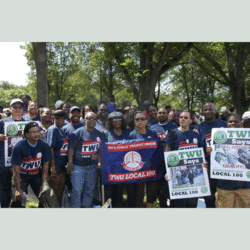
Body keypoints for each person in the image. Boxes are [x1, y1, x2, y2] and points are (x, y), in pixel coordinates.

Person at [207, 114, 250, 208]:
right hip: (224, 185)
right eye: (230, 122)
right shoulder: (219, 136)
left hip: (245, 186)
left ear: (241, 122)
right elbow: (217, 158)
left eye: (236, 121)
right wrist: (211, 152)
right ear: (227, 123)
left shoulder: (248, 136)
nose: (233, 123)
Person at [164, 111, 205, 208]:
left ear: (191, 121)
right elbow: (167, 153)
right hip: (177, 171)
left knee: (192, 204)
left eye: (185, 117)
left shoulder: (196, 135)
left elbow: (201, 153)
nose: (182, 119)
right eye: (181, 117)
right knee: (178, 204)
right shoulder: (172, 133)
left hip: (192, 180)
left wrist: (204, 163)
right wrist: (168, 170)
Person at [67, 112, 106, 208]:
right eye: (89, 118)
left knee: (89, 189)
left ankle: (86, 207)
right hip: (78, 167)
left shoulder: (100, 134)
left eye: (94, 118)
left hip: (92, 167)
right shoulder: (77, 133)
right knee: (77, 190)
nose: (91, 120)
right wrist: (70, 163)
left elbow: (101, 150)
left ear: (96, 121)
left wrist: (99, 161)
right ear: (85, 120)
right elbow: (71, 148)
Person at [11, 122, 53, 205]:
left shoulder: (44, 145)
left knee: (45, 198)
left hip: (36, 174)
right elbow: (15, 170)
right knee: (18, 199)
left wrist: (43, 184)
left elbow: (45, 166)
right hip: (21, 176)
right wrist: (18, 189)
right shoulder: (19, 147)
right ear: (27, 134)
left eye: (38, 131)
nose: (37, 134)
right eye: (33, 132)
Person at [196, 102, 227, 208]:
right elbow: (197, 148)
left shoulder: (224, 124)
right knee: (209, 196)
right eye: (205, 109)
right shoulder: (199, 127)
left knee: (224, 193)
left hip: (224, 165)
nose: (208, 111)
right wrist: (205, 153)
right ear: (203, 112)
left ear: (215, 111)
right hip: (208, 165)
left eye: (210, 109)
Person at [129, 111, 159, 208]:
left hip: (151, 168)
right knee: (139, 194)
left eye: (142, 119)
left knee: (151, 193)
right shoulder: (131, 135)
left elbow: (158, 150)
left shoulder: (153, 133)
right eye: (137, 119)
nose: (140, 121)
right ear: (134, 122)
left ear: (146, 121)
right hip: (138, 169)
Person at [0, 98, 26, 208]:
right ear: (10, 109)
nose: (17, 109)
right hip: (4, 161)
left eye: (19, 107)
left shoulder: (27, 122)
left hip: (22, 162)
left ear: (23, 109)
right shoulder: (3, 122)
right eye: (14, 107)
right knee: (4, 190)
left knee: (20, 189)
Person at [104, 112, 130, 207]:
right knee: (108, 193)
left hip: (124, 167)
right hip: (109, 169)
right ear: (110, 122)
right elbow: (102, 150)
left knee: (119, 193)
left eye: (119, 119)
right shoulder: (106, 133)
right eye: (113, 120)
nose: (116, 121)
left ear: (122, 120)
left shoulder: (127, 132)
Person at [46, 110, 67, 206]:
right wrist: (52, 167)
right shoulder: (53, 129)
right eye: (58, 118)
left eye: (62, 118)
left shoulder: (61, 130)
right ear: (53, 119)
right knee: (54, 192)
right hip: (56, 164)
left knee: (60, 192)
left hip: (62, 163)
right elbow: (50, 148)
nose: (60, 120)